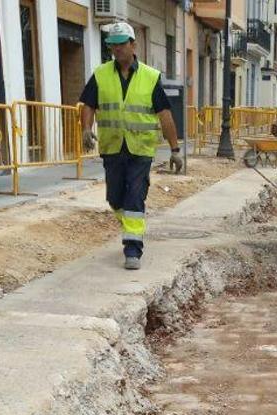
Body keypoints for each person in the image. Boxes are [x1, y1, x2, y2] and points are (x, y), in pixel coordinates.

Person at [79, 22, 183, 270]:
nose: (116, 50)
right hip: (113, 146)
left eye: (120, 45)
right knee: (115, 197)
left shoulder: (150, 77)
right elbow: (88, 104)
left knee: (135, 196)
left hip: (141, 149)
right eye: (112, 46)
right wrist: (86, 128)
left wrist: (175, 149)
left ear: (133, 45)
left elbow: (165, 114)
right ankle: (130, 228)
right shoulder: (101, 74)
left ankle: (133, 249)